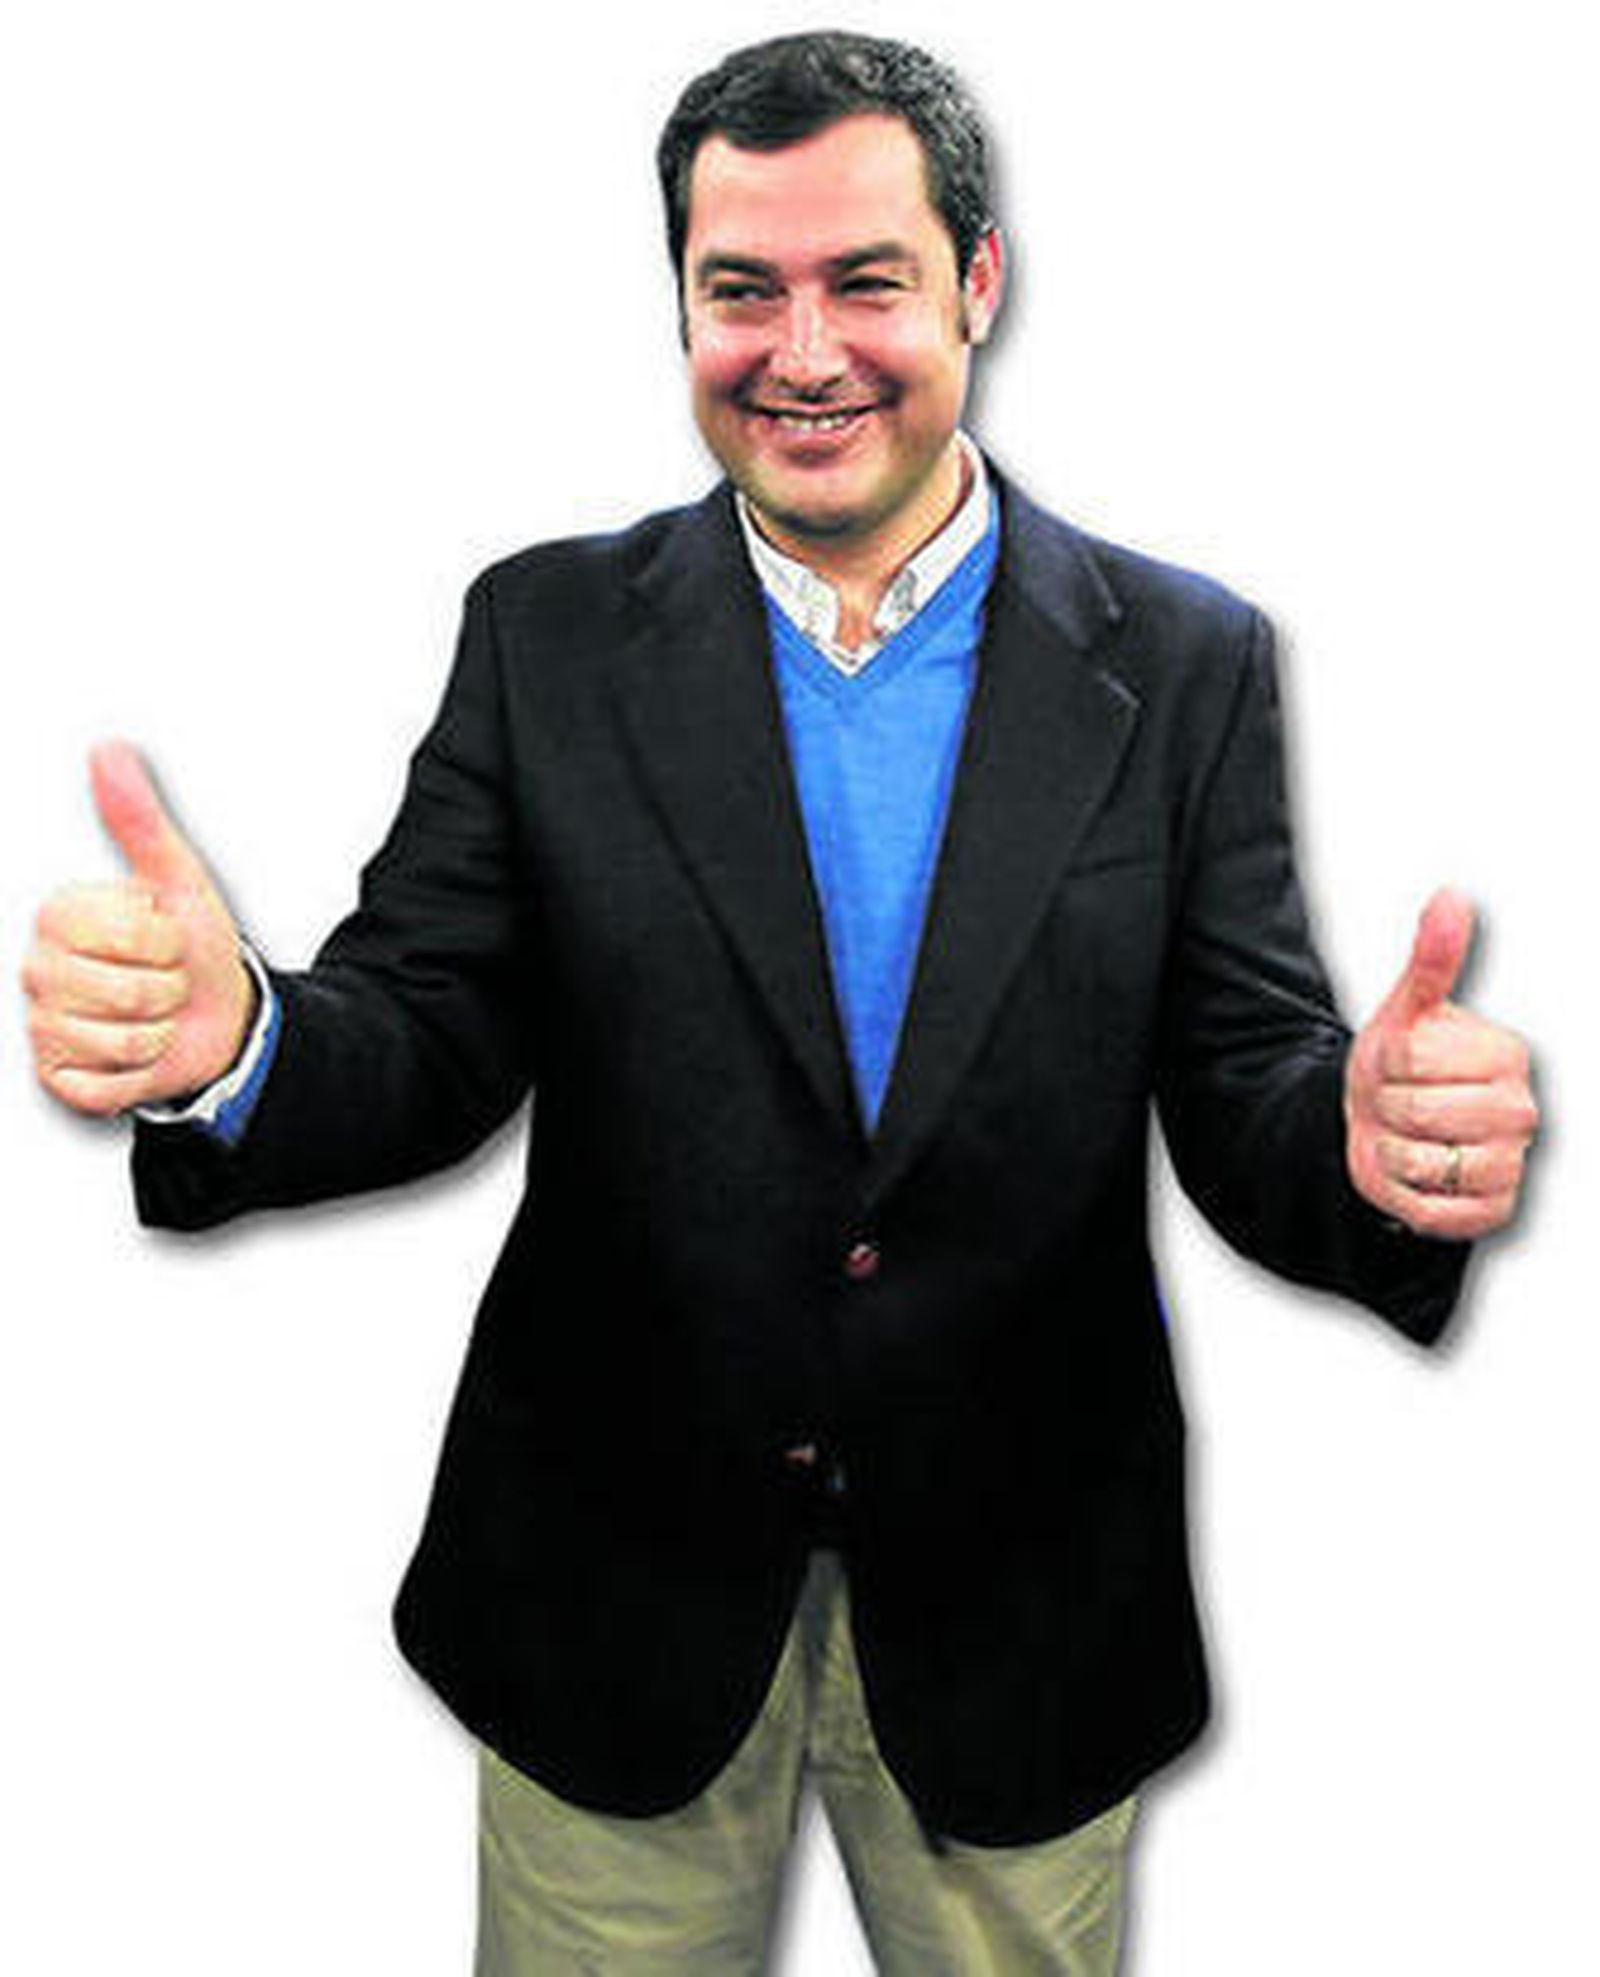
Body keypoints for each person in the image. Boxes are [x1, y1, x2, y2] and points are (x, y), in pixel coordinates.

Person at [21, 30, 1537, 1976]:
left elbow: (1247, 1081)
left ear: (977, 284)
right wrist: (240, 1043)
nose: (802, 351)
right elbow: (427, 1027)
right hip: (611, 1583)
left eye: (865, 282)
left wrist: (1367, 1143)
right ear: (680, 302)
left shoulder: (1184, 663)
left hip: (1020, 1597)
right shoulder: (544, 634)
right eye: (741, 288)